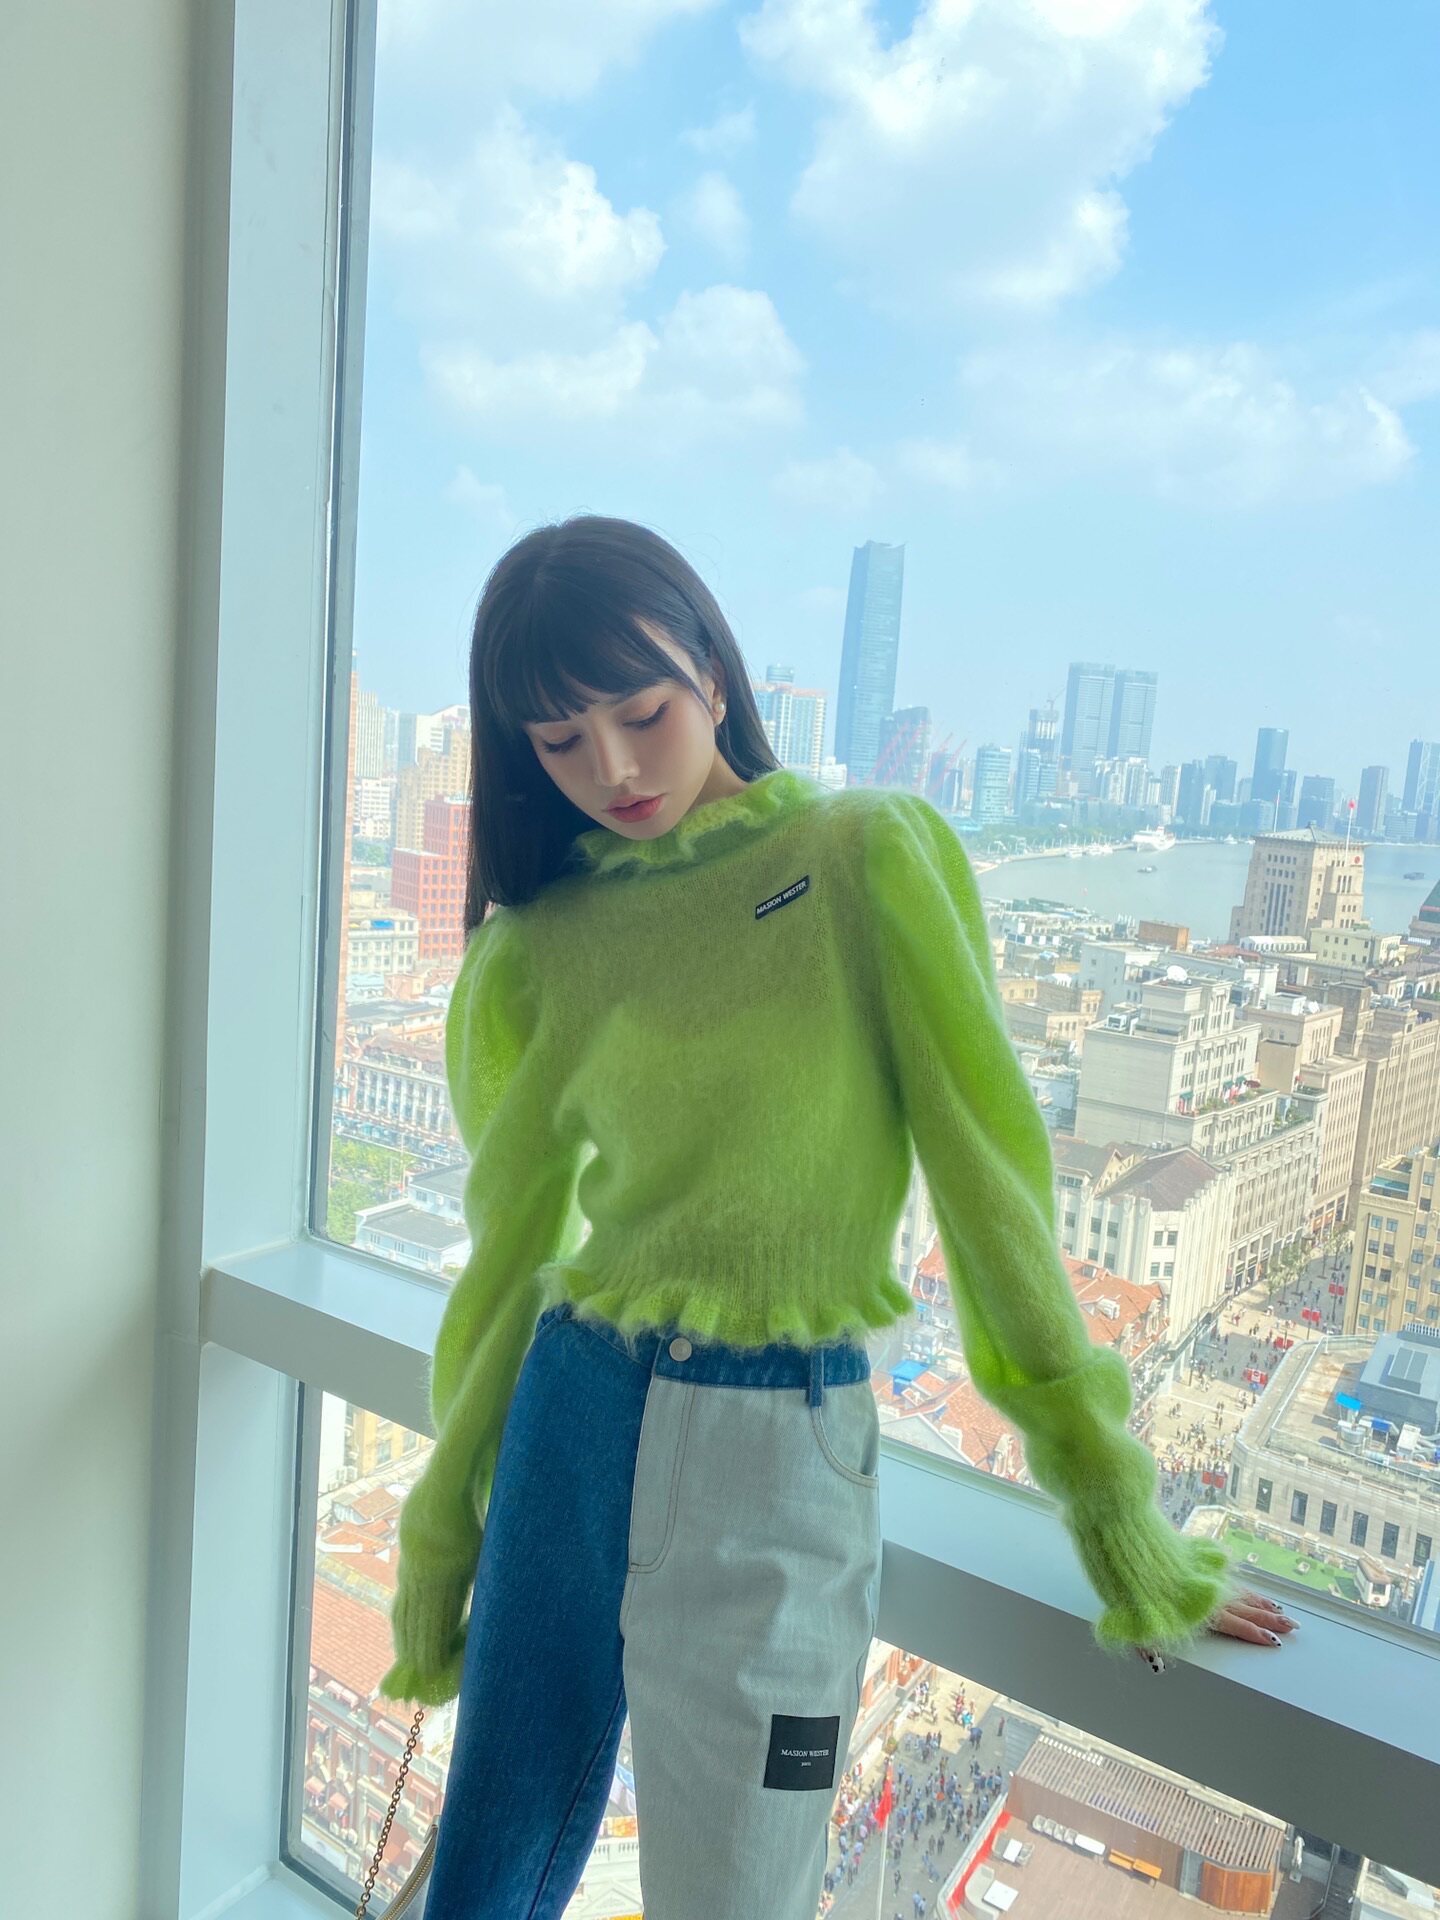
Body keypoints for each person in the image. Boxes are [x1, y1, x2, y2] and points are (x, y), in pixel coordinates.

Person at [374, 516, 1296, 1916]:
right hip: (571, 1416)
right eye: (559, 741)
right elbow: (508, 1259)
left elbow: (992, 1192)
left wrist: (1122, 1521)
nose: (613, 770)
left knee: (740, 1893)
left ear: (713, 670)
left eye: (642, 713)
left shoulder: (863, 856)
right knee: (483, 1882)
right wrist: (442, 1534)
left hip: (776, 1446)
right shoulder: (539, 945)